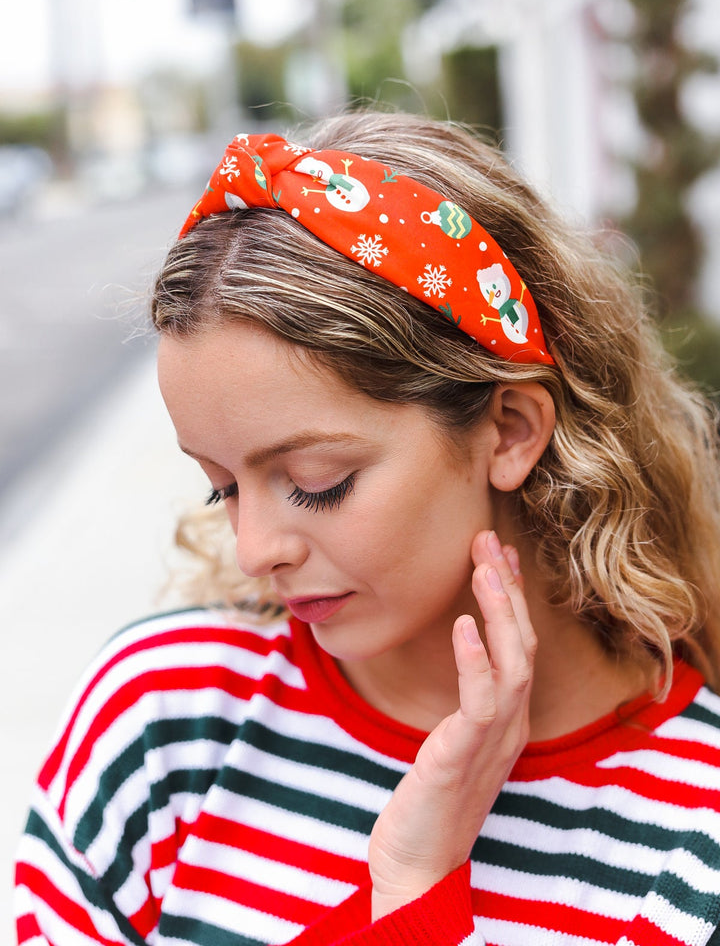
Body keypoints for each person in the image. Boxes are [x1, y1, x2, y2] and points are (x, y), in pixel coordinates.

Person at [15, 110, 720, 946]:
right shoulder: (161, 724)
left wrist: (420, 891)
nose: (254, 550)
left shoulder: (692, 836)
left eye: (318, 484)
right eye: (223, 490)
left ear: (510, 430)